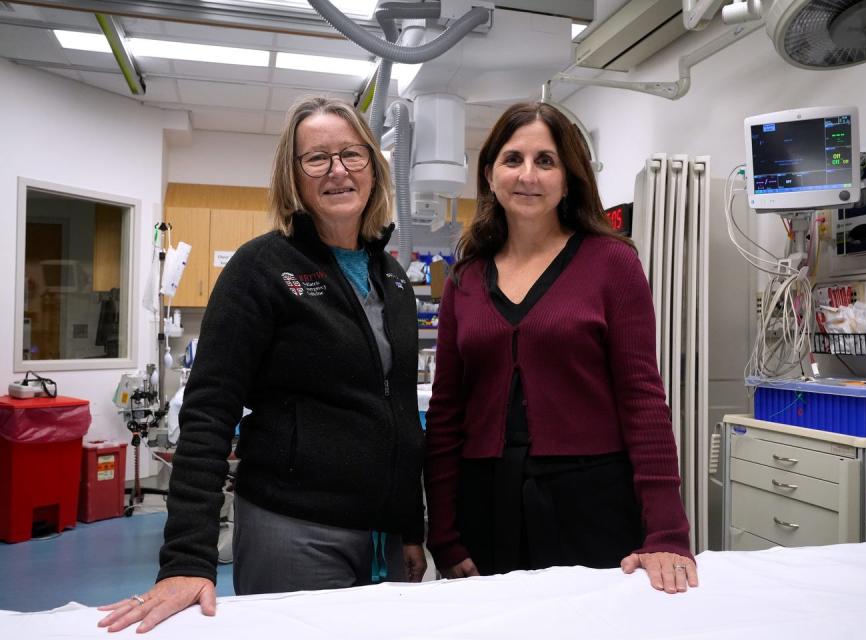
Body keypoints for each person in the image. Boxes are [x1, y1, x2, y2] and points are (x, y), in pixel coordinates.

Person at [98, 97, 426, 633]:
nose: (338, 170)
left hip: (381, 533)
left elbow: (401, 413)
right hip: (295, 529)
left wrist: (409, 525)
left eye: (351, 154)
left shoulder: (391, 276)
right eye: (316, 159)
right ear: (292, 177)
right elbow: (208, 413)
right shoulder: (261, 268)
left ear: (373, 165)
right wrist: (186, 559)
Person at [424, 102, 698, 594]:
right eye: (513, 159)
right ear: (490, 174)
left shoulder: (612, 263)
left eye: (545, 161)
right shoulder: (465, 279)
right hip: (486, 507)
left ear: (568, 178)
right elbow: (446, 414)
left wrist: (667, 532)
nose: (528, 175)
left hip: (591, 504)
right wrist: (443, 535)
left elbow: (642, 398)